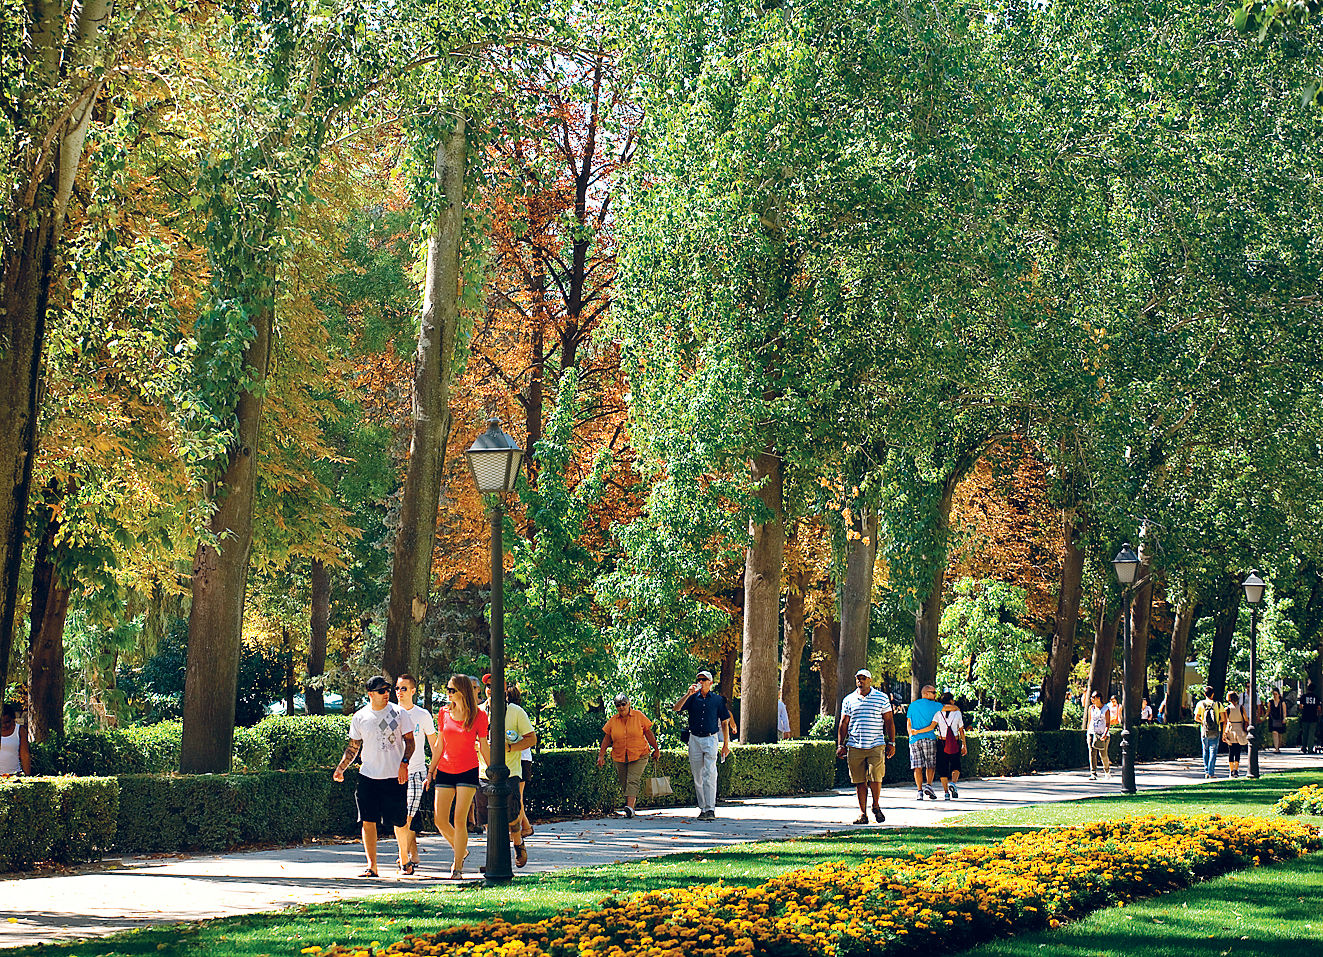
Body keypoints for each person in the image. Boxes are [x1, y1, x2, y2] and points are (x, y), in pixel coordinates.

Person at [333, 676, 415, 878]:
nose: (386, 693)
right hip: (368, 777)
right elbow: (354, 747)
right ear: (370, 694)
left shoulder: (399, 713)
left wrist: (404, 764)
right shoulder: (360, 717)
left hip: (393, 777)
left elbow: (410, 742)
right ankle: (372, 866)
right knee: (367, 821)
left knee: (399, 821)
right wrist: (341, 768)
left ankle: (404, 858)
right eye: (381, 691)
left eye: (388, 690)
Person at [427, 672, 489, 879]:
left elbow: (484, 747)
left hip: (468, 770)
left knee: (459, 819)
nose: (448, 694)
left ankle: (457, 866)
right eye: (448, 690)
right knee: (440, 820)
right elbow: (439, 745)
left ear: (462, 691)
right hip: (445, 769)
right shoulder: (444, 713)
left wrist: (494, 770)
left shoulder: (480, 716)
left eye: (452, 690)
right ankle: (461, 848)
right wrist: (431, 770)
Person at [480, 681, 535, 868]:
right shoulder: (479, 712)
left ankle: (518, 844)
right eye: (487, 685)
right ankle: (494, 860)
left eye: (492, 684)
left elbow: (531, 738)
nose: (490, 688)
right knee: (487, 820)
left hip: (510, 773)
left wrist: (510, 747)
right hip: (484, 773)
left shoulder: (516, 711)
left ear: (503, 690)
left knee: (512, 816)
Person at [836, 669, 896, 824]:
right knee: (859, 780)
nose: (860, 681)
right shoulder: (849, 699)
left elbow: (889, 721)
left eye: (863, 679)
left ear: (870, 680)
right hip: (855, 745)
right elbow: (844, 723)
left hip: (875, 744)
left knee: (876, 777)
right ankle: (863, 814)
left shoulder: (881, 698)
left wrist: (892, 742)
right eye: (858, 679)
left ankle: (876, 805)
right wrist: (840, 745)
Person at [392, 673, 437, 875]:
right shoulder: (390, 713)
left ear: (413, 691)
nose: (399, 693)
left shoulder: (423, 715)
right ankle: (408, 855)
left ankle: (404, 859)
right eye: (397, 689)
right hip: (392, 773)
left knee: (408, 818)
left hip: (416, 771)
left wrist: (433, 770)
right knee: (399, 817)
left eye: (403, 688)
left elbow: (434, 744)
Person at [673, 670, 731, 820]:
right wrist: (688, 694)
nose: (701, 681)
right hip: (694, 739)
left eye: (704, 679)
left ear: (710, 683)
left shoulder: (717, 700)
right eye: (699, 679)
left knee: (710, 773)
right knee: (697, 775)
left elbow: (724, 722)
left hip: (711, 738)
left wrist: (726, 744)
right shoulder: (692, 698)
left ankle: (711, 808)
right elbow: (676, 708)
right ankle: (703, 808)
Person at [597, 693, 661, 817]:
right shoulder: (613, 720)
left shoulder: (638, 716)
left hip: (640, 753)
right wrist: (601, 755)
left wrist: (656, 749)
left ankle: (630, 808)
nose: (621, 707)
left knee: (633, 779)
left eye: (623, 704)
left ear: (628, 704)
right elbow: (606, 738)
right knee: (624, 782)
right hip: (620, 754)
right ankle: (630, 805)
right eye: (618, 705)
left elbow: (649, 734)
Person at [507, 681, 535, 839]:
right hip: (522, 759)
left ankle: (523, 828)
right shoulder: (514, 712)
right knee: (516, 797)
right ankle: (525, 826)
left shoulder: (515, 713)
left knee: (517, 797)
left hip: (521, 759)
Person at [907, 684, 942, 800]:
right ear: (926, 693)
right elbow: (951, 709)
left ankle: (919, 791)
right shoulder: (936, 705)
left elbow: (909, 723)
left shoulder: (912, 705)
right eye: (934, 692)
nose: (936, 694)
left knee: (917, 766)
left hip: (914, 740)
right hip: (929, 738)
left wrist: (911, 734)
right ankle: (929, 785)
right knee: (930, 764)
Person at [934, 692, 966, 800]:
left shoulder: (938, 712)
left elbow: (933, 725)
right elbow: (961, 729)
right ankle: (953, 783)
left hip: (942, 742)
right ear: (951, 701)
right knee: (956, 765)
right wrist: (964, 744)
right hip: (954, 742)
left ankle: (946, 792)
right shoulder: (957, 713)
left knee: (943, 767)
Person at [1194, 686, 1223, 779]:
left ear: (1204, 694)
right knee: (1213, 751)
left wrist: (1203, 721)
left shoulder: (1200, 704)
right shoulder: (1218, 704)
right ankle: (1211, 773)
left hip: (1204, 730)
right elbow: (1223, 718)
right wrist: (1217, 722)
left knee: (1205, 750)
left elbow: (1196, 718)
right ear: (1213, 694)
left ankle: (1206, 771)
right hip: (1215, 730)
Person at [1084, 691, 1111, 780]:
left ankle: (1107, 771)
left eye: (1093, 697)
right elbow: (1089, 720)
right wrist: (1087, 731)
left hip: (1102, 733)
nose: (1091, 699)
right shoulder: (1091, 708)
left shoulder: (1106, 709)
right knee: (1092, 753)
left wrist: (1105, 734)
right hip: (1092, 732)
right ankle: (1093, 773)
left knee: (1103, 754)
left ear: (1098, 698)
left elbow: (1107, 723)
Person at [0, 702, 31, 777]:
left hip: (14, 775)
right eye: (1, 722)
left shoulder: (19, 730)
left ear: (13, 719)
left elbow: (25, 756)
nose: (4, 725)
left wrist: (28, 777)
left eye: (7, 722)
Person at [1223, 691, 1249, 777]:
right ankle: (1236, 770)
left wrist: (1224, 733)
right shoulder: (1241, 708)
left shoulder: (1227, 709)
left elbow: (1226, 722)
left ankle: (1231, 770)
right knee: (1238, 751)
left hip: (1231, 730)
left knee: (1231, 751)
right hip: (1240, 729)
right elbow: (1246, 719)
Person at [1301, 680, 1320, 755]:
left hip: (1305, 716)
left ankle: (1304, 747)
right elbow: (1319, 708)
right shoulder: (1317, 698)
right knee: (1311, 733)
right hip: (1313, 717)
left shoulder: (1303, 697)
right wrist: (1319, 715)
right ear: (1314, 689)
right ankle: (1310, 748)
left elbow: (1300, 706)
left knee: (1304, 733)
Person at [1268, 688, 1287, 753]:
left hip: (1280, 720)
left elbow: (1284, 712)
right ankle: (1276, 748)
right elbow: (1268, 711)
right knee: (1274, 733)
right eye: (1273, 694)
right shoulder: (1270, 702)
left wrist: (1284, 719)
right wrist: (1262, 719)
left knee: (1279, 735)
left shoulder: (1282, 702)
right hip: (1273, 720)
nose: (1275, 696)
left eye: (1276, 694)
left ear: (1279, 694)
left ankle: (1278, 747)